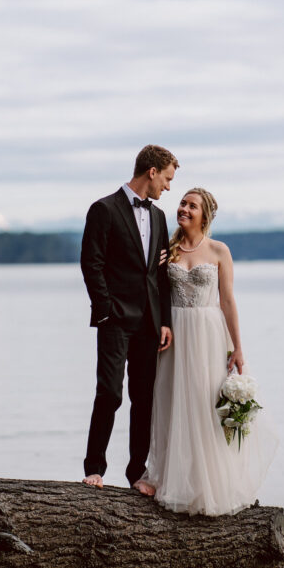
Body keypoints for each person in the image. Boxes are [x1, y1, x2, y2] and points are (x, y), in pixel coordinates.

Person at [145, 187, 278, 515]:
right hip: (174, 334)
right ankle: (170, 480)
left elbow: (228, 300)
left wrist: (238, 348)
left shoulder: (219, 251)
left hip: (207, 335)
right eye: (182, 203)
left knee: (206, 404)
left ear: (205, 215)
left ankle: (211, 485)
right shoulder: (167, 250)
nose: (184, 209)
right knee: (171, 401)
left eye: (192, 206)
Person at [80, 144, 179, 494]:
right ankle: (94, 467)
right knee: (109, 393)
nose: (167, 187)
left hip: (150, 323)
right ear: (151, 172)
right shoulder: (103, 209)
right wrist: (105, 310)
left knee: (144, 398)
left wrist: (165, 320)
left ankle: (137, 472)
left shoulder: (159, 217)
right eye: (166, 179)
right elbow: (91, 263)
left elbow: (160, 274)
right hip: (115, 320)